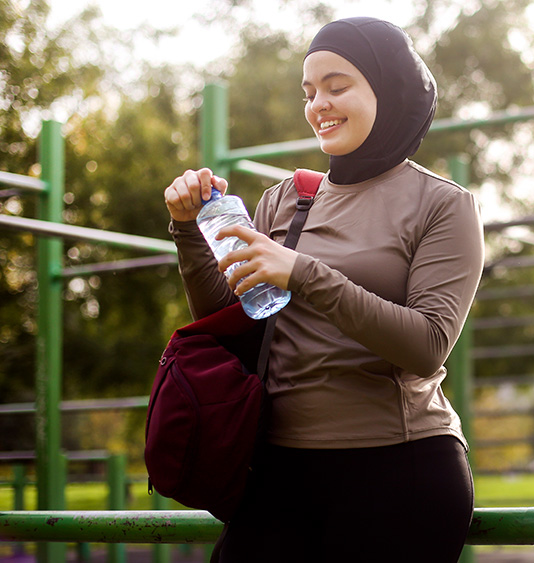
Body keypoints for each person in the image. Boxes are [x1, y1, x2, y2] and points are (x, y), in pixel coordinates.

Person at [163, 17, 484, 562]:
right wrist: (190, 233)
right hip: (277, 473)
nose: (319, 105)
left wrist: (301, 272)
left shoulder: (442, 204)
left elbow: (428, 344)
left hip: (399, 472)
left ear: (388, 89)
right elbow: (236, 325)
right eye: (309, 93)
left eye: (338, 87)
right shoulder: (284, 199)